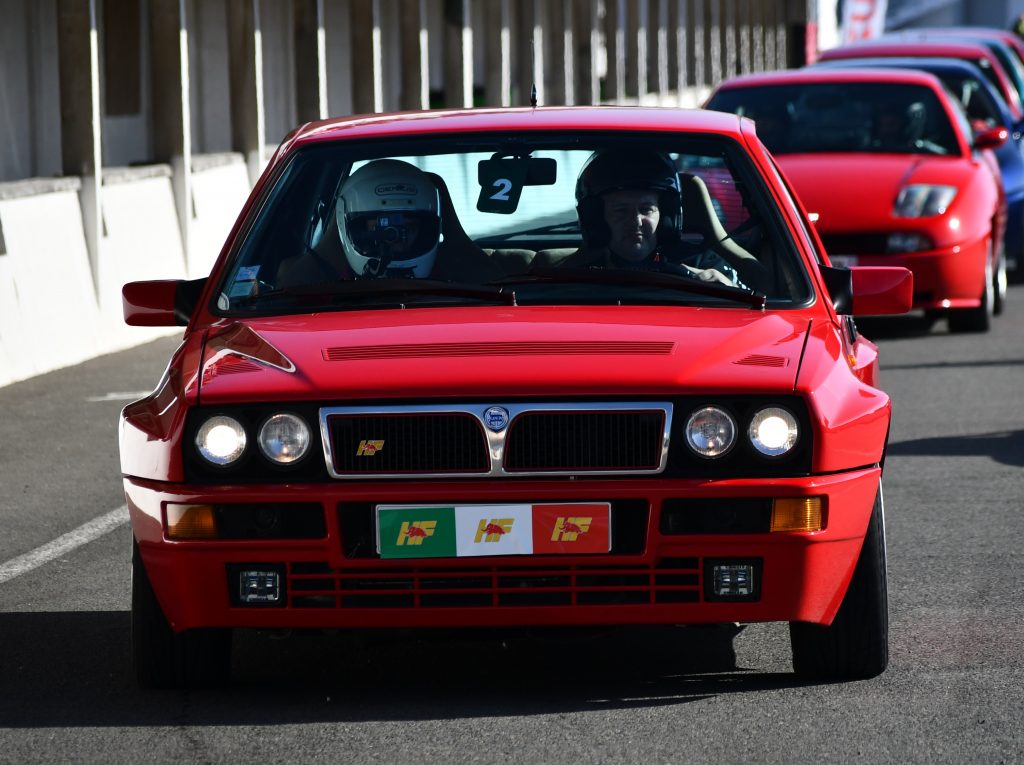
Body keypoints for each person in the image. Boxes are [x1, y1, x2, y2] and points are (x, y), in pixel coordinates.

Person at [276, 158, 501, 287]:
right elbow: (286, 295)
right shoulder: (328, 276)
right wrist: (332, 243)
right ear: (348, 228)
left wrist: (454, 235)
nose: (395, 238)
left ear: (430, 228)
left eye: (409, 227)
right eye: (379, 226)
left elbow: (496, 288)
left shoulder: (450, 270)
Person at [559, 150, 753, 287]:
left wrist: (717, 284)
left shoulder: (705, 265)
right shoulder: (574, 275)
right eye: (620, 210)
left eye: (646, 209)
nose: (635, 221)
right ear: (597, 218)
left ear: (666, 215)